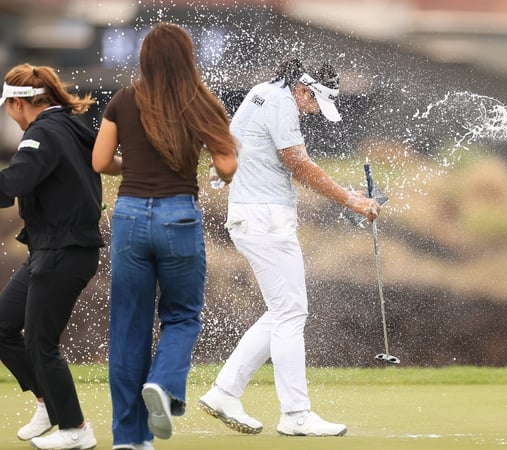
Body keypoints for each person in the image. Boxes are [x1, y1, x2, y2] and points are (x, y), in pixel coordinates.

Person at [198, 57, 380, 437]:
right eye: (314, 103)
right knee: (292, 313)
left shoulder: (263, 92)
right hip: (265, 219)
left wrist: (348, 195)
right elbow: (299, 164)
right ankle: (295, 413)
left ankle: (225, 392)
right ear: (303, 89)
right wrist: (353, 202)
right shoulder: (282, 103)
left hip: (253, 215)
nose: (314, 112)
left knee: (283, 311)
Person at [92, 23, 237, 449]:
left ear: (146, 58)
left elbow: (100, 161)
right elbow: (227, 166)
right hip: (179, 216)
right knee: (182, 316)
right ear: (187, 57)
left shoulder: (123, 99)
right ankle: (163, 382)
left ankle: (129, 438)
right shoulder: (201, 99)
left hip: (130, 217)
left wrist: (132, 166)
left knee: (128, 328)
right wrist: (213, 170)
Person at [0, 64, 103, 449]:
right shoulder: (70, 126)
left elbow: (16, 181)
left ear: (16, 104)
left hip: (63, 250)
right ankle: (47, 402)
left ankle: (75, 429)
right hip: (54, 248)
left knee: (40, 343)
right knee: (4, 325)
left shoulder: (43, 131)